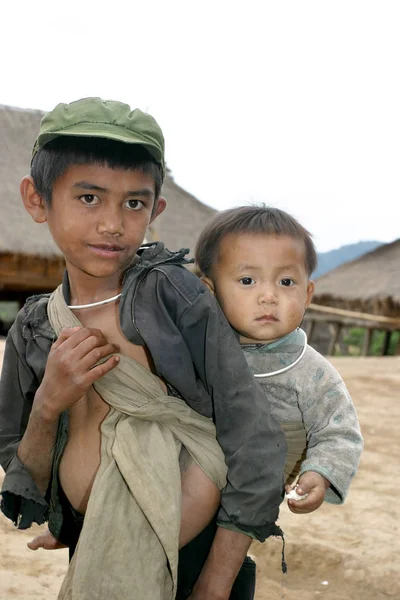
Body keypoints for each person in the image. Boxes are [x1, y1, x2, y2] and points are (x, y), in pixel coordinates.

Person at [0, 99, 287, 600]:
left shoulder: (172, 298)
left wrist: (214, 586)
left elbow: (254, 437)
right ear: (37, 199)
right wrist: (48, 406)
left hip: (196, 557)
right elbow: (22, 461)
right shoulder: (34, 329)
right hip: (96, 546)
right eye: (89, 198)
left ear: (155, 210)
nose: (113, 223)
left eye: (133, 203)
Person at [195, 205, 363, 516]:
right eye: (248, 281)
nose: (269, 296)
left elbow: (339, 430)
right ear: (210, 291)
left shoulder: (310, 372)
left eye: (286, 282)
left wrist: (320, 473)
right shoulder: (197, 351)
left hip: (250, 499)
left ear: (308, 294)